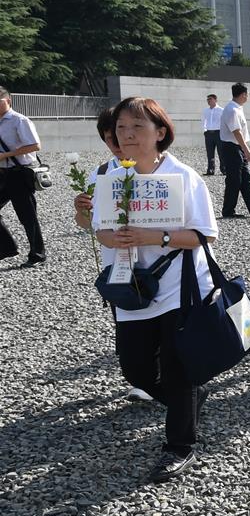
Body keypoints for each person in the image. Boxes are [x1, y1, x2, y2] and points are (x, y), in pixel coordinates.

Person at [94, 97, 218, 482]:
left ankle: (179, 445)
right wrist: (112, 239)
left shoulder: (184, 176)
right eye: (121, 128)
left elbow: (203, 234)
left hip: (179, 287)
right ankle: (188, 402)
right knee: (136, 368)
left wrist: (155, 235)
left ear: (160, 132)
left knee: (179, 369)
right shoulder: (110, 176)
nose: (127, 135)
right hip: (130, 287)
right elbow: (98, 226)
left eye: (137, 127)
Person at [73, 108, 153, 404]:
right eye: (111, 138)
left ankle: (163, 379)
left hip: (157, 259)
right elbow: (85, 224)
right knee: (128, 317)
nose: (118, 145)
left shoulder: (154, 168)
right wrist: (82, 209)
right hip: (117, 262)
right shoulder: (102, 174)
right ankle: (144, 377)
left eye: (123, 134)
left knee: (160, 318)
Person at [0, 86, 46, 267]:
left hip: (19, 174)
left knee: (27, 216)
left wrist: (5, 155)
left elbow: (35, 145)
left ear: (8, 101)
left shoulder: (19, 120)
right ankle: (7, 248)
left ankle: (37, 255)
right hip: (2, 174)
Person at [220, 83, 250, 218]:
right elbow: (236, 132)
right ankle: (228, 211)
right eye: (247, 94)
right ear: (243, 95)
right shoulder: (232, 110)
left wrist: (244, 150)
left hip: (237, 148)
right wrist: (247, 151)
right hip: (231, 148)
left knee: (246, 179)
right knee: (234, 180)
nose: (248, 97)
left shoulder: (237, 108)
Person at [202, 94, 224, 175]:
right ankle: (210, 170)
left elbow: (224, 122)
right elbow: (203, 121)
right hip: (209, 134)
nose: (208, 101)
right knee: (210, 153)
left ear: (215, 100)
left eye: (210, 99)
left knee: (221, 152)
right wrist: (204, 131)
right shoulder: (205, 110)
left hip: (218, 133)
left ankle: (223, 169)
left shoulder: (221, 110)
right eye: (207, 99)